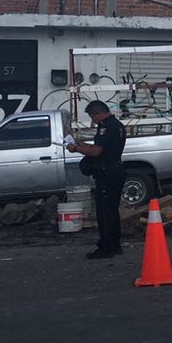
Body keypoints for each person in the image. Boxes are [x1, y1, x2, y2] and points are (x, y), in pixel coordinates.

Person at [66, 100, 127, 259]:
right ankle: (115, 245)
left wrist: (76, 149)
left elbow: (96, 152)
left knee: (104, 212)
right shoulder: (118, 125)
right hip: (117, 170)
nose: (93, 121)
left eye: (93, 117)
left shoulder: (106, 127)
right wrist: (85, 145)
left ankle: (106, 247)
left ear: (98, 113)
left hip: (107, 173)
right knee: (112, 210)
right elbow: (102, 148)